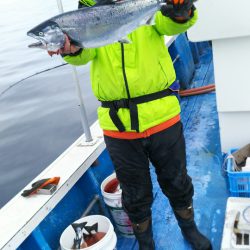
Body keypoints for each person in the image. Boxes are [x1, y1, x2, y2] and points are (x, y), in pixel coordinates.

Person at [51, 0, 212, 249]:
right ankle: (145, 243)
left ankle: (189, 228)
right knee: (134, 193)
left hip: (161, 114)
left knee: (177, 180)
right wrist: (72, 50)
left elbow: (166, 24)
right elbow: (89, 51)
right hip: (119, 125)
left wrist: (181, 12)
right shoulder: (88, 3)